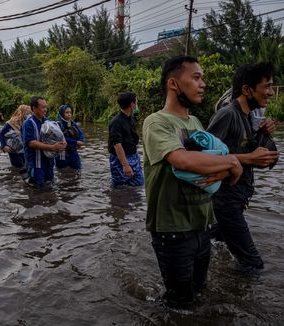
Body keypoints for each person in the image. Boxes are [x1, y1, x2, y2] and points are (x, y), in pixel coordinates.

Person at [142, 55, 243, 309]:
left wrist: (228, 167)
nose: (203, 84)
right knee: (180, 304)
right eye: (196, 77)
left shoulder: (195, 122)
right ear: (174, 84)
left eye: (203, 78)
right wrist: (232, 163)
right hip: (172, 228)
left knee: (200, 291)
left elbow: (210, 161)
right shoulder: (156, 121)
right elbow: (182, 160)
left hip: (201, 223)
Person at [206, 63, 279, 274]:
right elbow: (203, 157)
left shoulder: (250, 117)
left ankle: (215, 274)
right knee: (253, 265)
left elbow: (265, 159)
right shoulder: (227, 115)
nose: (271, 93)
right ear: (247, 90)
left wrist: (263, 134)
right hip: (225, 203)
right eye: (266, 86)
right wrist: (248, 158)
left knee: (211, 243)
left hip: (236, 200)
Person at [22, 96, 66, 188]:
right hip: (36, 164)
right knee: (37, 189)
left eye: (46, 107)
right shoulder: (28, 123)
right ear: (34, 108)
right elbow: (31, 142)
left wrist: (63, 142)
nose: (45, 110)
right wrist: (52, 148)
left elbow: (58, 135)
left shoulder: (48, 121)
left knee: (49, 187)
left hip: (49, 162)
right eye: (43, 107)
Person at [108, 92, 144, 187]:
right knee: (121, 187)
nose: (137, 104)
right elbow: (117, 145)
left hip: (133, 156)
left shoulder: (131, 119)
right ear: (132, 105)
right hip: (120, 159)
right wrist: (125, 165)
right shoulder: (116, 122)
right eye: (136, 102)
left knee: (138, 184)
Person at [55, 104, 84, 173]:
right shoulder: (57, 125)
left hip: (73, 151)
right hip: (62, 153)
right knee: (61, 172)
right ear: (62, 113)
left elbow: (81, 133)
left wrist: (81, 141)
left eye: (70, 112)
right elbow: (61, 137)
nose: (69, 114)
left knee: (78, 170)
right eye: (66, 112)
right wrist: (76, 142)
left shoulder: (73, 123)